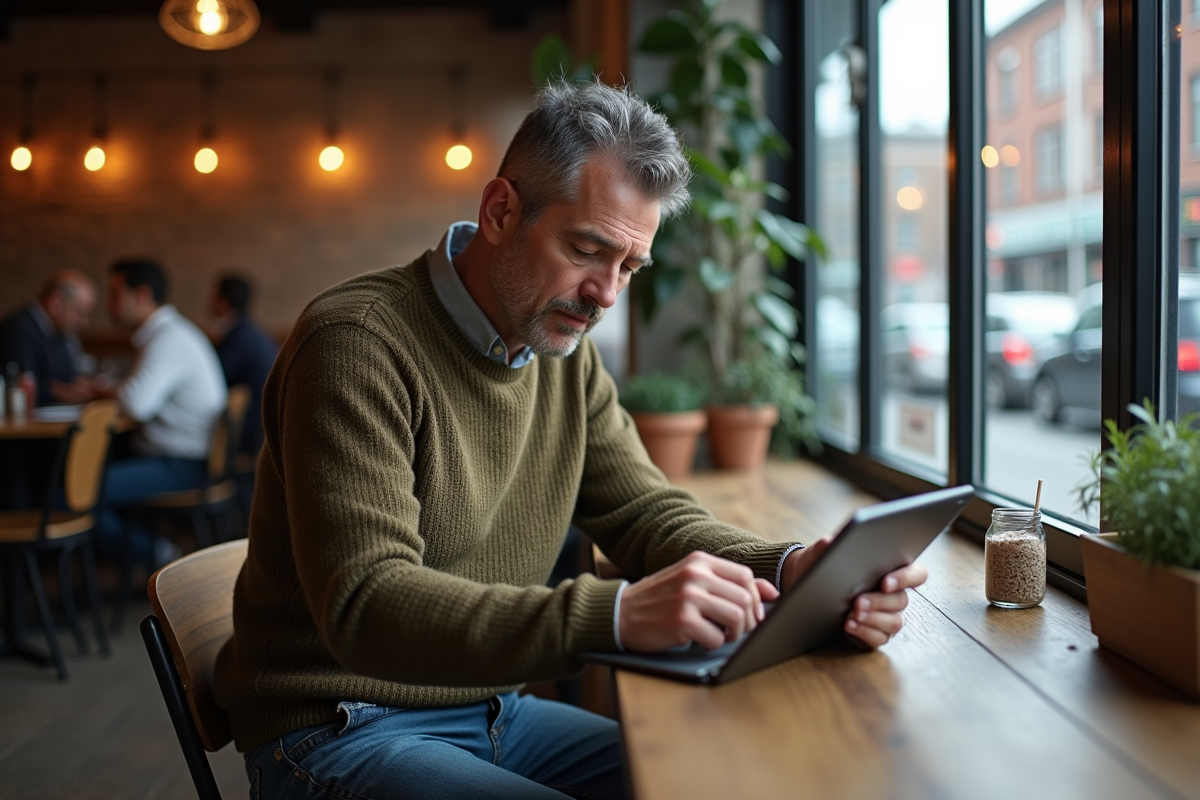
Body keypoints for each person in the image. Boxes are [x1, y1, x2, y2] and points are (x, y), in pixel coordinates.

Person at [214, 81, 926, 800]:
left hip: (489, 710)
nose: (606, 294)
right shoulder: (357, 343)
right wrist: (614, 615)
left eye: (629, 268)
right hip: (338, 726)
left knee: (725, 780)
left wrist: (791, 569)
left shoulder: (561, 351)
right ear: (500, 212)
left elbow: (645, 515)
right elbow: (364, 602)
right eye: (589, 250)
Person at [93, 259, 227, 566]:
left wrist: (97, 390)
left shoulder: (168, 339)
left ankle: (160, 557)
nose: (109, 304)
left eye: (115, 294)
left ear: (141, 295)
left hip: (181, 463)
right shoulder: (169, 333)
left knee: (73, 496)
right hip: (180, 456)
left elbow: (136, 404)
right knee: (82, 481)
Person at [0, 269, 98, 405]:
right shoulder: (17, 330)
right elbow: (16, 384)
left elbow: (74, 373)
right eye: (80, 313)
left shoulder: (65, 333)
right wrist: (56, 391)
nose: (84, 322)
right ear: (55, 303)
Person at [208, 274, 279, 456]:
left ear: (223, 301)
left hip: (252, 431)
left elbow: (213, 381)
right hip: (267, 426)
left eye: (213, 295)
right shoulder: (249, 331)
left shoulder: (238, 338)